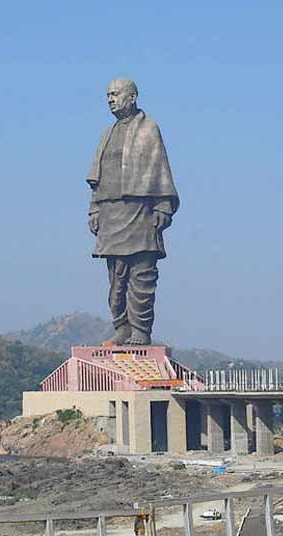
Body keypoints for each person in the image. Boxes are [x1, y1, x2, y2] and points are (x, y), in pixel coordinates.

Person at [86, 78, 179, 345]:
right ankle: (122, 326)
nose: (110, 99)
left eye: (115, 94)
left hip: (140, 212)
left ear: (133, 96)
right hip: (110, 212)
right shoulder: (107, 133)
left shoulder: (149, 129)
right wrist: (94, 210)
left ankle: (140, 330)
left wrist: (162, 205)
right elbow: (97, 179)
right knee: (116, 279)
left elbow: (159, 167)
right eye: (107, 95)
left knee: (141, 275)